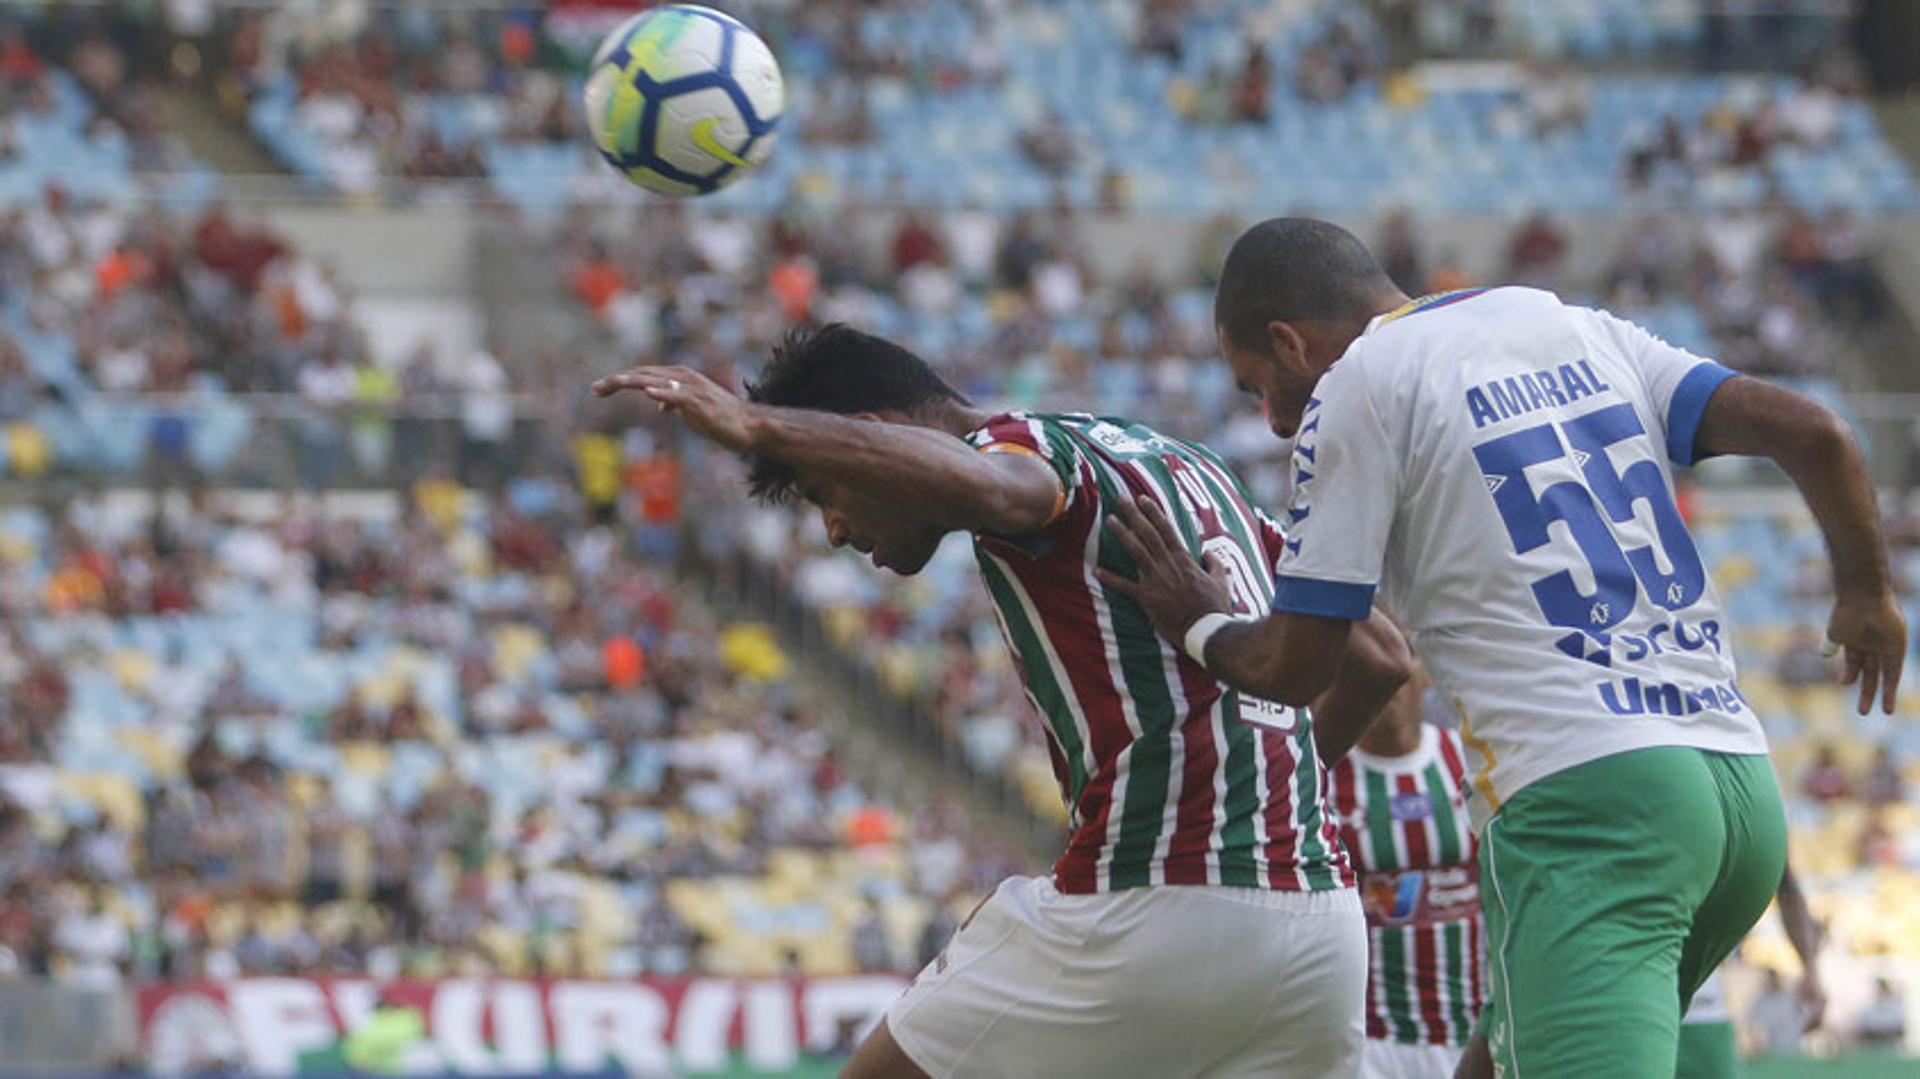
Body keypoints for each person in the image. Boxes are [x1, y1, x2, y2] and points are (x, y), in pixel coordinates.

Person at [1100, 217, 1905, 1079]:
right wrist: (1865, 592)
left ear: (1289, 342)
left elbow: (1295, 667)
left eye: (1258, 387)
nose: (1269, 421)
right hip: (1740, 793)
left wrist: (1200, 618)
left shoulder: (1358, 385)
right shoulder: (1569, 323)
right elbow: (1816, 430)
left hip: (1588, 803)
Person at [594, 323, 1412, 1079]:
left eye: (821, 492)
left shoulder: (1023, 450)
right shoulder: (1190, 466)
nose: (834, 529)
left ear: (881, 434)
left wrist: (760, 427)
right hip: (1319, 931)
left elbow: (998, 489)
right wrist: (1261, 793)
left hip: (1154, 904)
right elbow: (1379, 657)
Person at [1327, 659, 1482, 1078]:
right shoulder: (1322, 775)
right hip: (1370, 1038)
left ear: (1427, 671)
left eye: (1397, 657)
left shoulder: (1469, 760)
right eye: (1363, 663)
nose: (1384, 676)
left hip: (1474, 1034)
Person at [1677, 865, 1823, 1077]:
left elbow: (1785, 883)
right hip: (1647, 1001)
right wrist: (1810, 970)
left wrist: (1810, 969)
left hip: (1699, 1008)